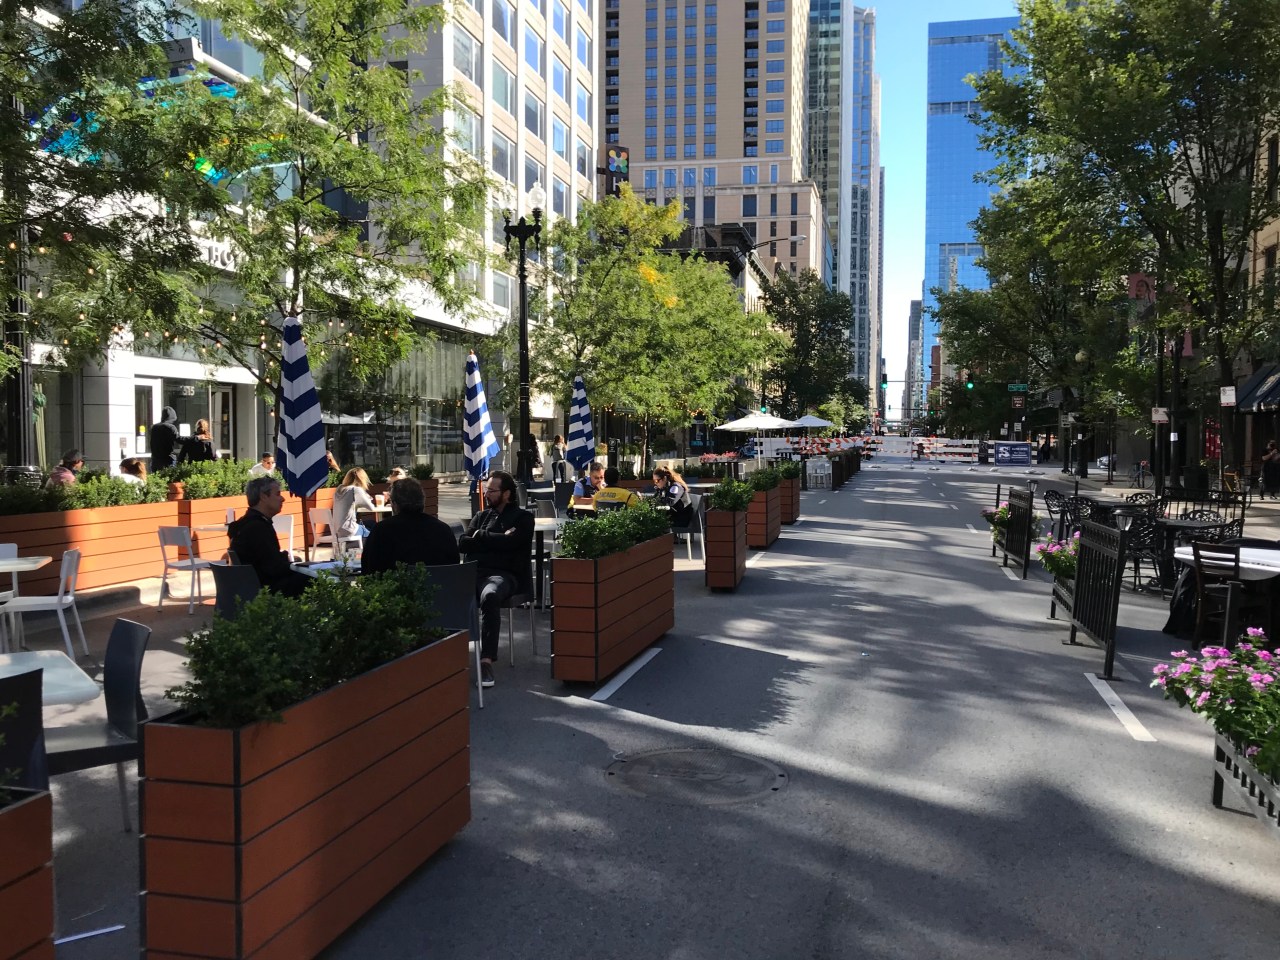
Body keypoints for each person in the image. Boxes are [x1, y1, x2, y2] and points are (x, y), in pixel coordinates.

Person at [459, 470, 533, 688]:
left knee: (490, 595)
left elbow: (513, 545)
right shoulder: (482, 516)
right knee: (445, 591)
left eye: (492, 490)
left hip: (504, 576)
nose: (487, 494)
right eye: (487, 489)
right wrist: (498, 539)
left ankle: (486, 661)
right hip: (473, 573)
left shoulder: (523, 518)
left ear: (507, 493)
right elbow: (463, 543)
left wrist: (481, 537)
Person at [227, 477, 311, 597]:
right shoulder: (257, 528)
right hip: (266, 591)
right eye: (277, 494)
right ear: (263, 497)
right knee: (317, 579)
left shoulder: (245, 524)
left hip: (252, 587)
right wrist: (294, 564)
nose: (283, 498)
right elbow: (274, 568)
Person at [361, 478, 460, 574]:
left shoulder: (382, 530)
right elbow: (454, 565)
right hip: (441, 588)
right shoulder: (443, 530)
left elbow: (368, 570)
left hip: (396, 589)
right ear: (423, 501)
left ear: (395, 504)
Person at [333, 467, 376, 544]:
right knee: (375, 528)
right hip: (350, 530)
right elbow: (371, 507)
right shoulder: (355, 490)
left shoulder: (339, 489)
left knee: (370, 523)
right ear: (362, 479)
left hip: (338, 531)